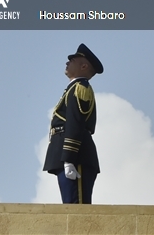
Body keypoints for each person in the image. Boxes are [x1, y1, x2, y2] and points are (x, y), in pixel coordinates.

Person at [43, 43, 103, 204]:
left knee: (77, 209)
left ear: (84, 66)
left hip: (76, 155)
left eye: (73, 59)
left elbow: (76, 122)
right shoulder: (72, 88)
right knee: (70, 208)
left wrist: (69, 158)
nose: (67, 62)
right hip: (66, 153)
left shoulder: (80, 88)